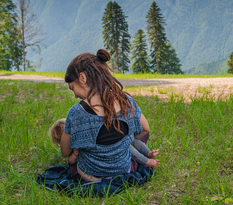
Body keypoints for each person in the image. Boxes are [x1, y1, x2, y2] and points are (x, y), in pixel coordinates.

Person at [61, 49, 152, 182]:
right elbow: (145, 129)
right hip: (123, 171)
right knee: (133, 134)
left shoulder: (76, 112)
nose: (75, 95)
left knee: (75, 159)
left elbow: (64, 152)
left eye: (72, 88)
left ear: (82, 77)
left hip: (90, 176)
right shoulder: (124, 100)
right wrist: (123, 142)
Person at [50, 118, 159, 168]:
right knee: (127, 146)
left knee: (132, 140)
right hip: (107, 151)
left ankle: (148, 152)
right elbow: (70, 161)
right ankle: (146, 161)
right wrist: (74, 154)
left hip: (108, 142)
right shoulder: (72, 147)